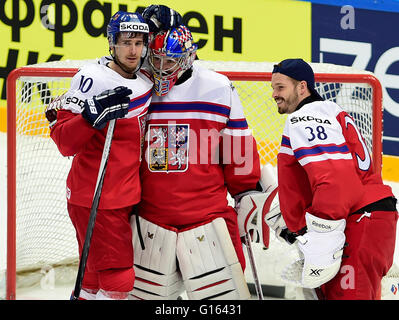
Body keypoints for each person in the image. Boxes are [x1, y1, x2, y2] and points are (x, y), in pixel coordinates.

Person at [126, 6, 278, 300]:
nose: (161, 67)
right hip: (149, 220)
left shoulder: (217, 87)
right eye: (156, 59)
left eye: (169, 61)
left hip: (207, 221)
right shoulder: (137, 85)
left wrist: (247, 196)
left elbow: (238, 152)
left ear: (188, 57)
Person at [45, 11, 153, 300]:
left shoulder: (144, 77)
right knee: (119, 278)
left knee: (92, 275)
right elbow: (65, 143)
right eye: (126, 42)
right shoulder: (92, 78)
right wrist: (90, 117)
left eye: (139, 43)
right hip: (97, 196)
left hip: (118, 195)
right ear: (112, 43)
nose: (133, 50)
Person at [270, 58, 398, 300]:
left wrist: (321, 234)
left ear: (302, 87)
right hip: (365, 218)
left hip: (355, 221)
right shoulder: (330, 111)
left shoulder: (306, 116)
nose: (274, 94)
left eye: (281, 87)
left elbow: (335, 181)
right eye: (273, 88)